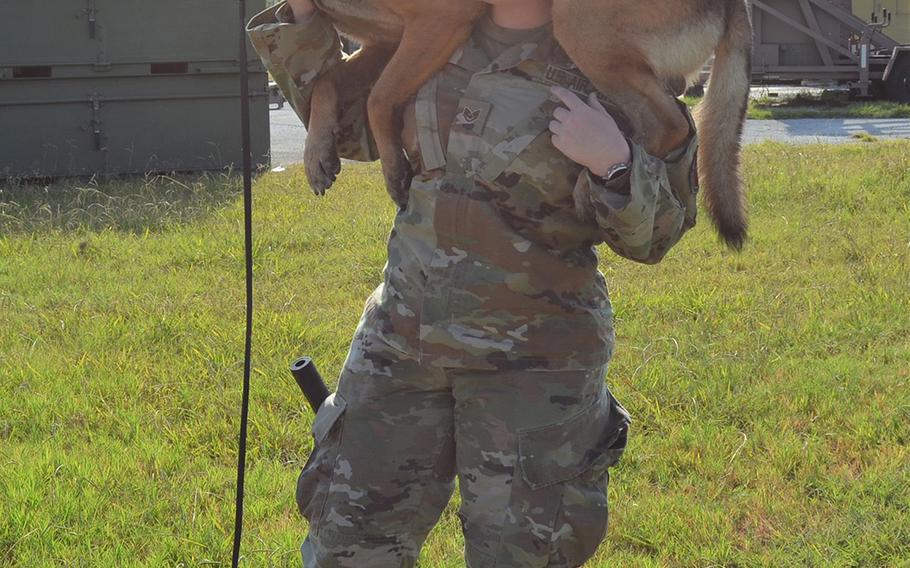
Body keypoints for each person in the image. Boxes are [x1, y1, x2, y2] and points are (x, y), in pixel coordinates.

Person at [247, 0, 700, 565]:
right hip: (401, 346)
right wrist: (300, 16)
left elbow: (658, 235)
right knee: (348, 546)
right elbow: (345, 130)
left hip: (534, 367)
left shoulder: (605, 58)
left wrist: (613, 164)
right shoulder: (428, 34)